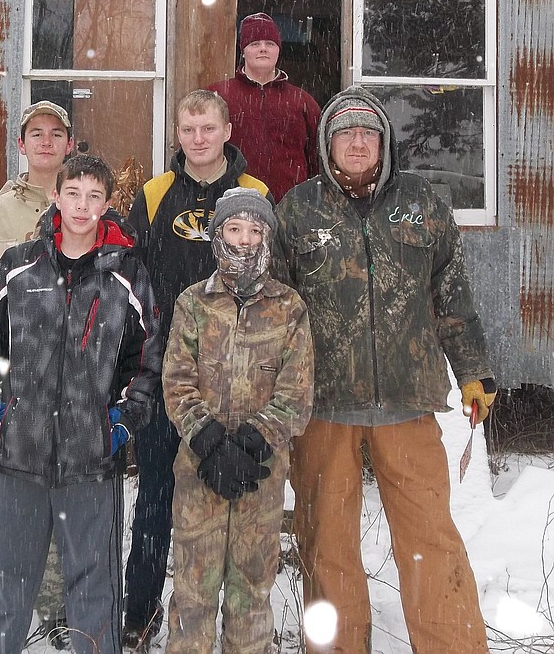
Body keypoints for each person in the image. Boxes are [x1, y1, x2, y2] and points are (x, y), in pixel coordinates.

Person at [271, 87, 497, 654]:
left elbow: (454, 297)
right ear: (326, 144)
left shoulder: (422, 203)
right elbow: (275, 310)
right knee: (327, 548)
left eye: (367, 133)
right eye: (344, 133)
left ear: (384, 142)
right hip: (323, 405)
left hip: (408, 399)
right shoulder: (297, 210)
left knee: (429, 539)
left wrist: (473, 370)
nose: (356, 142)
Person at [0, 154, 162, 654]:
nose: (82, 205)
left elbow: (146, 360)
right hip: (20, 454)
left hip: (91, 462)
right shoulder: (19, 265)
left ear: (107, 203)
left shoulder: (126, 274)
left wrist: (119, 423)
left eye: (94, 196)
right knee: (7, 585)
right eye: (73, 194)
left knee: (94, 588)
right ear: (56, 197)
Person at [123, 89, 273, 651]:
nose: (199, 139)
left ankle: (239, 620)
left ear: (227, 129)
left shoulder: (255, 195)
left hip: (239, 379)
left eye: (208, 128)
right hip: (170, 373)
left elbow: (274, 277)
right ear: (177, 134)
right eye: (188, 129)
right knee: (158, 498)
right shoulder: (157, 193)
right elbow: (133, 277)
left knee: (236, 499)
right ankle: (139, 610)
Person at [162, 187, 313, 654]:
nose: (244, 240)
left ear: (267, 238)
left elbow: (297, 392)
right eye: (234, 228)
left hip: (261, 474)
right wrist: (210, 443)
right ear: (218, 235)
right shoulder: (193, 302)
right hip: (199, 472)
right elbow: (177, 380)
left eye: (254, 230)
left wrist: (250, 444)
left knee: (252, 589)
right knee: (193, 589)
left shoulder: (289, 308)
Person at [0, 100, 74, 650]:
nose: (47, 142)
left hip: (67, 383)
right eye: (36, 134)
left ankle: (56, 608)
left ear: (69, 145)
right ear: (22, 145)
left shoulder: (85, 204)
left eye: (57, 134)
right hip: (9, 377)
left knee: (61, 495)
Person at [208, 12, 320, 203]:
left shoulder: (302, 101)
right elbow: (199, 148)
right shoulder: (218, 96)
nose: (263, 49)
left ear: (278, 50)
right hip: (233, 205)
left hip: (291, 207)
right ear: (243, 51)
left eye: (270, 43)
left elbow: (317, 158)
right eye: (254, 44)